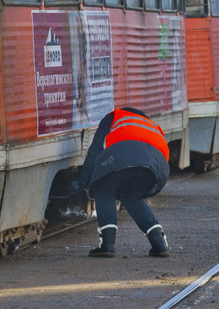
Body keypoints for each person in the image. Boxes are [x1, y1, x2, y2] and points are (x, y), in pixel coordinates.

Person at [72, 107, 170, 258]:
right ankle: (159, 242)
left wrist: (83, 182)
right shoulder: (148, 124)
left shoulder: (114, 117)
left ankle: (107, 244)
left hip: (122, 154)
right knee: (132, 196)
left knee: (104, 189)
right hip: (156, 163)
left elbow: (95, 151)